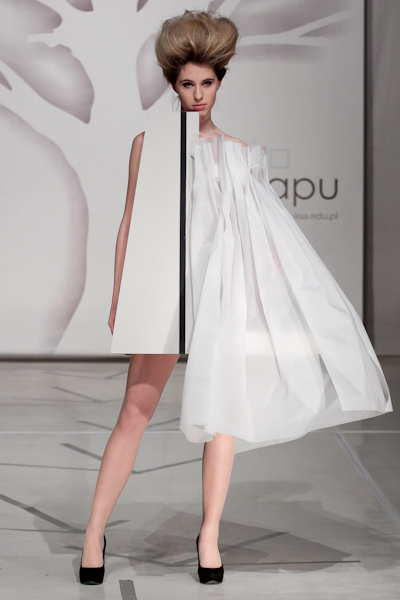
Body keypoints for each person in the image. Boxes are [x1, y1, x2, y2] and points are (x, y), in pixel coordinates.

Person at [79, 9, 392, 586]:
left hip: (218, 294)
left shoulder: (239, 152)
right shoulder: (150, 144)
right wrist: (121, 295)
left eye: (207, 82)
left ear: (220, 82)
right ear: (172, 85)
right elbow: (128, 223)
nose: (198, 94)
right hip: (163, 291)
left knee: (221, 414)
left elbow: (258, 232)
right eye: (187, 84)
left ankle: (209, 537)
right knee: (134, 412)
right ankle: (93, 533)